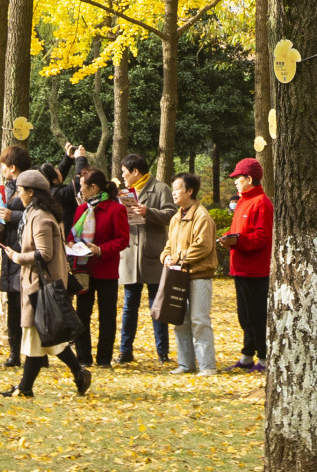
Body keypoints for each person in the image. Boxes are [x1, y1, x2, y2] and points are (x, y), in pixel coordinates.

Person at [1, 169, 94, 398]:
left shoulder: (40, 216)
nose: (18, 195)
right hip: (37, 283)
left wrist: (16, 257)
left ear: (31, 192)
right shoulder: (34, 212)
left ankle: (25, 387)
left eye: (21, 190)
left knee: (36, 335)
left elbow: (44, 253)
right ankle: (78, 373)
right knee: (48, 338)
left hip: (41, 284)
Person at [115, 153, 174, 364]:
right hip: (130, 255)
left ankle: (163, 352)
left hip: (152, 255)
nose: (122, 176)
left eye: (124, 172)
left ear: (135, 172)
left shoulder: (160, 188)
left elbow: (171, 214)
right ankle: (125, 351)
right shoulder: (124, 193)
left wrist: (148, 211)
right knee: (129, 306)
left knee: (157, 306)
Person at [159, 171, 218, 376]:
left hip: (199, 276)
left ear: (190, 191)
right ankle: (185, 364)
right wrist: (166, 257)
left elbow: (203, 246)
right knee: (180, 320)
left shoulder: (201, 215)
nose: (174, 193)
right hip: (178, 275)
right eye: (173, 188)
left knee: (199, 320)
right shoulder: (176, 217)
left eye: (177, 189)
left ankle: (207, 366)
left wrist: (179, 257)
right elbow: (168, 245)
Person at [71, 167, 129, 367]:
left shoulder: (116, 209)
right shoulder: (81, 209)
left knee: (107, 315)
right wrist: (72, 245)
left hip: (106, 270)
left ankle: (104, 358)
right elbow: (72, 236)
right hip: (83, 270)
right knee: (82, 314)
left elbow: (123, 239)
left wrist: (101, 249)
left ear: (93, 187)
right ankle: (83, 357)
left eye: (82, 187)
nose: (81, 191)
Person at [219, 157, 270, 372]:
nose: (235, 182)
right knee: (244, 315)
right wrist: (227, 238)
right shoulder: (242, 201)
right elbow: (239, 230)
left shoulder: (262, 203)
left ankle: (265, 358)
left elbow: (262, 236)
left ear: (249, 178)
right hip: (240, 267)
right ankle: (248, 355)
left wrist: (238, 241)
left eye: (238, 178)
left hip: (255, 271)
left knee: (257, 315)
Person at [0, 143, 32, 366]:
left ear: (12, 167)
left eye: (4, 167)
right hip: (10, 251)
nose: (3, 172)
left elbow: (36, 214)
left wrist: (10, 216)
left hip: (25, 252)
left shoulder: (30, 185)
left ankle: (34, 353)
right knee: (13, 305)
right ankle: (15, 352)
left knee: (27, 304)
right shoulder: (9, 188)